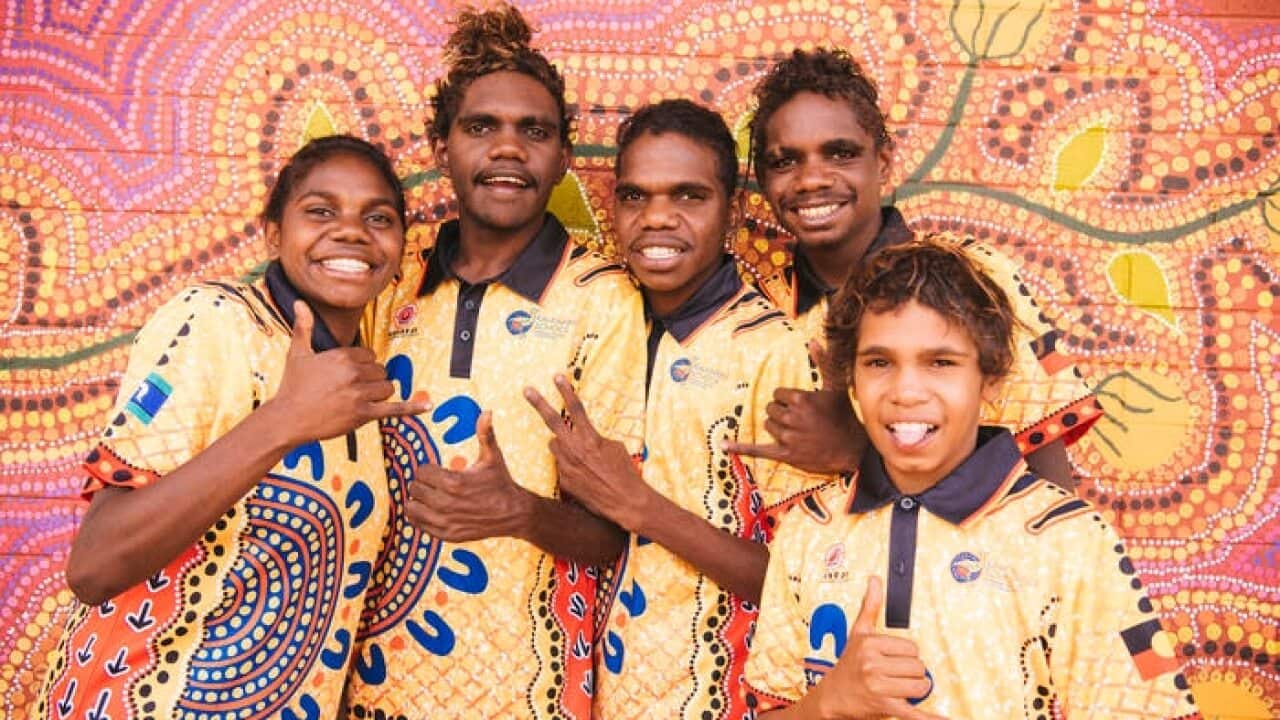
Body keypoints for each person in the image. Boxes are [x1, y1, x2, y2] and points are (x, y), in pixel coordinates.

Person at [37, 134, 424, 720]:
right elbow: (94, 566)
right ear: (273, 234)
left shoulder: (358, 374)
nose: (351, 232)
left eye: (378, 218)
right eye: (320, 211)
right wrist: (283, 421)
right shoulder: (215, 323)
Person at [743, 238, 1201, 718]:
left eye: (941, 363)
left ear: (990, 379)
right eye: (879, 363)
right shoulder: (810, 529)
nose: (906, 391)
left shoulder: (1069, 541)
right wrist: (827, 702)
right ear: (851, 380)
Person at [343, 5, 645, 719]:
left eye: (534, 132)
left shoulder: (603, 301)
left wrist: (521, 512)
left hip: (527, 691)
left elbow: (621, 535)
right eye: (481, 127)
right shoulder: (391, 283)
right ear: (440, 146)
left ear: (563, 156)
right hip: (372, 689)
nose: (508, 149)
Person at [525, 99, 830, 719]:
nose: (658, 218)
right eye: (635, 197)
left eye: (689, 196)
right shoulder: (601, 327)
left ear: (733, 211)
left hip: (722, 699)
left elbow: (807, 581)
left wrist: (641, 508)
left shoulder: (772, 351)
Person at [729, 48, 1100, 488]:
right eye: (784, 161)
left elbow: (1046, 486)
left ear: (883, 162)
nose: (811, 179)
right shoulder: (753, 318)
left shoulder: (974, 277)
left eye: (841, 153)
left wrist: (856, 450)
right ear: (764, 180)